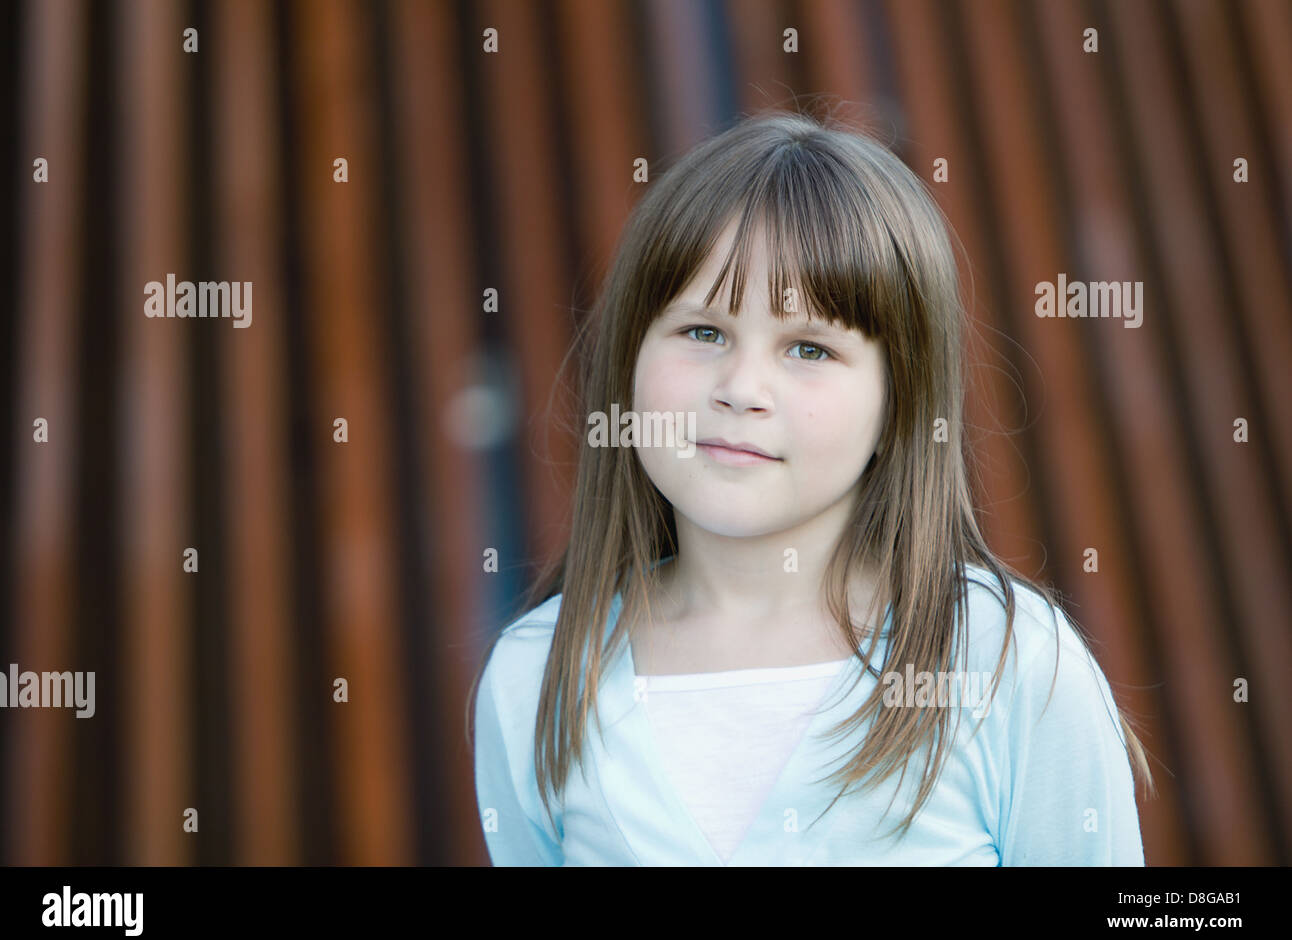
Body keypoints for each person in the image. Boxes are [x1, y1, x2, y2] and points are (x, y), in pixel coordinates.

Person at [468, 110, 1153, 866]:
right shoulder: (534, 677)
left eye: (808, 347)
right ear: (630, 355)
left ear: (901, 399)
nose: (742, 389)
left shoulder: (1004, 663)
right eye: (703, 333)